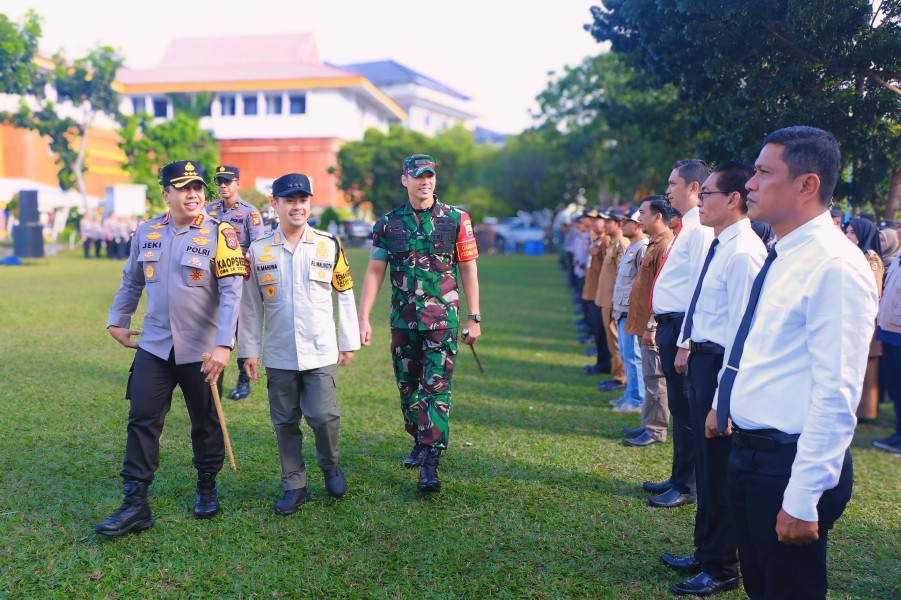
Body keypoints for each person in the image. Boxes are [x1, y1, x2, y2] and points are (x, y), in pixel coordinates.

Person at [708, 126, 878, 598]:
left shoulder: (834, 266)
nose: (750, 185)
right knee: (762, 586)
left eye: (764, 172)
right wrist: (725, 403)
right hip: (751, 453)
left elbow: (837, 391)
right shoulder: (784, 253)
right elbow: (761, 351)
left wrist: (803, 497)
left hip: (789, 463)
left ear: (807, 185)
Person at [95, 160, 246, 536]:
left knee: (205, 420)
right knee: (142, 418)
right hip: (156, 344)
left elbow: (231, 293)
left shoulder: (220, 233)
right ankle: (135, 503)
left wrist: (224, 345)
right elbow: (131, 280)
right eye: (184, 188)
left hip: (203, 350)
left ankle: (207, 485)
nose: (194, 195)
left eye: (198, 188)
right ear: (167, 194)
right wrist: (117, 319)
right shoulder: (147, 231)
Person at [666, 161, 766, 596]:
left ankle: (722, 567)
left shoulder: (743, 251)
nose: (699, 200)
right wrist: (689, 344)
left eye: (706, 194)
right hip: (705, 361)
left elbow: (743, 332)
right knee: (707, 471)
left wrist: (723, 399)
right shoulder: (722, 242)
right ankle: (706, 551)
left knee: (719, 471)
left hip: (723, 366)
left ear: (733, 200)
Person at [357, 154, 481, 493]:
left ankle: (430, 460)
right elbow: (375, 270)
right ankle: (420, 436)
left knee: (436, 388)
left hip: (442, 319)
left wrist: (474, 316)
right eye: (418, 176)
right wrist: (362, 316)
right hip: (403, 321)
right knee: (407, 389)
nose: (425, 181)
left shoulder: (456, 219)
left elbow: (468, 268)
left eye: (430, 176)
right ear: (405, 180)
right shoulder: (388, 224)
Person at [239, 173, 360, 515]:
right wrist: (249, 350)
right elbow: (250, 306)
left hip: (320, 350)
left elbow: (345, 294)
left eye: (302, 200)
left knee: (323, 416)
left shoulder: (328, 244)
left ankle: (330, 465)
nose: (297, 206)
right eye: (289, 200)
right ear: (274, 204)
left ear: (310, 203)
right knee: (285, 422)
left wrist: (347, 340)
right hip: (279, 354)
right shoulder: (259, 250)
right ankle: (295, 484)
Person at [646, 159, 715, 509]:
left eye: (674, 183)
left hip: (683, 328)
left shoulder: (700, 230)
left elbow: (698, 291)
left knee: (686, 412)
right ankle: (678, 477)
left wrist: (686, 343)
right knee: (678, 406)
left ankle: (687, 485)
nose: (668, 189)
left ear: (694, 188)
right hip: (671, 325)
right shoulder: (688, 227)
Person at [206, 165, 265, 401]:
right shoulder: (208, 210)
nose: (223, 185)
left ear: (238, 184)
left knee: (240, 328)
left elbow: (257, 248)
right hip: (211, 278)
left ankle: (243, 381)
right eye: (219, 181)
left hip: (239, 277)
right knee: (211, 325)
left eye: (227, 181)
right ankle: (211, 376)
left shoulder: (250, 213)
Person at [623, 196, 673, 447]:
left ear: (658, 217)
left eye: (642, 213)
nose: (638, 217)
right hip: (644, 323)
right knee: (649, 375)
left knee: (655, 378)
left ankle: (655, 430)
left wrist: (652, 324)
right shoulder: (654, 243)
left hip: (652, 326)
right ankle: (647, 424)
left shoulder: (664, 245)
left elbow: (661, 289)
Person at [845, 217, 885, 422]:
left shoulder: (871, 259)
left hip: (866, 315)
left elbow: (875, 291)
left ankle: (866, 411)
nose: (848, 236)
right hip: (851, 313)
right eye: (847, 231)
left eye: (853, 232)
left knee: (866, 364)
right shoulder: (855, 255)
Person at [610, 209, 649, 414]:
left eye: (627, 221)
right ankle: (630, 395)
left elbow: (644, 284)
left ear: (638, 225)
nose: (622, 224)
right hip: (622, 310)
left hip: (631, 312)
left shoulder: (643, 248)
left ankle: (637, 399)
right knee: (627, 355)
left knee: (633, 356)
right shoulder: (632, 247)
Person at [595, 209, 629, 395]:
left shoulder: (621, 245)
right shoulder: (614, 243)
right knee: (612, 341)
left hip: (613, 301)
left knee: (616, 342)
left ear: (618, 224)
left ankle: (620, 377)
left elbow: (622, 277)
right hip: (606, 299)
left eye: (610, 222)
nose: (606, 225)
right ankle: (616, 375)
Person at [581, 209, 612, 375]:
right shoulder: (597, 239)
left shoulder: (606, 241)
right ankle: (601, 362)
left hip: (601, 293)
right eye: (593, 220)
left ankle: (604, 365)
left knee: (602, 331)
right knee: (597, 329)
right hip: (593, 290)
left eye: (599, 220)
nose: (595, 223)